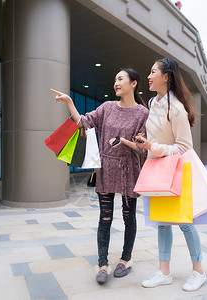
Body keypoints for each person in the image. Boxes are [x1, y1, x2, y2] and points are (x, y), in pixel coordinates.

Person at [51, 68, 149, 284]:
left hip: (128, 171)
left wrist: (123, 141)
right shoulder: (107, 108)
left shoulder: (143, 113)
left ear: (134, 83)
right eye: (115, 79)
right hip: (105, 168)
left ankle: (126, 259)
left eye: (121, 79)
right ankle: (102, 264)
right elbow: (82, 122)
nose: (116, 83)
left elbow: (143, 150)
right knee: (105, 218)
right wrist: (69, 101)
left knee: (128, 216)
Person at [134, 57, 207, 292]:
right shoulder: (155, 104)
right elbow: (159, 138)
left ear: (166, 77)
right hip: (157, 169)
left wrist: (154, 148)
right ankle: (164, 272)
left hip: (176, 169)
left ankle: (199, 271)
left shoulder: (175, 108)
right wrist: (147, 143)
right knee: (162, 223)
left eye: (152, 71)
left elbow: (185, 146)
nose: (148, 76)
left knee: (185, 222)